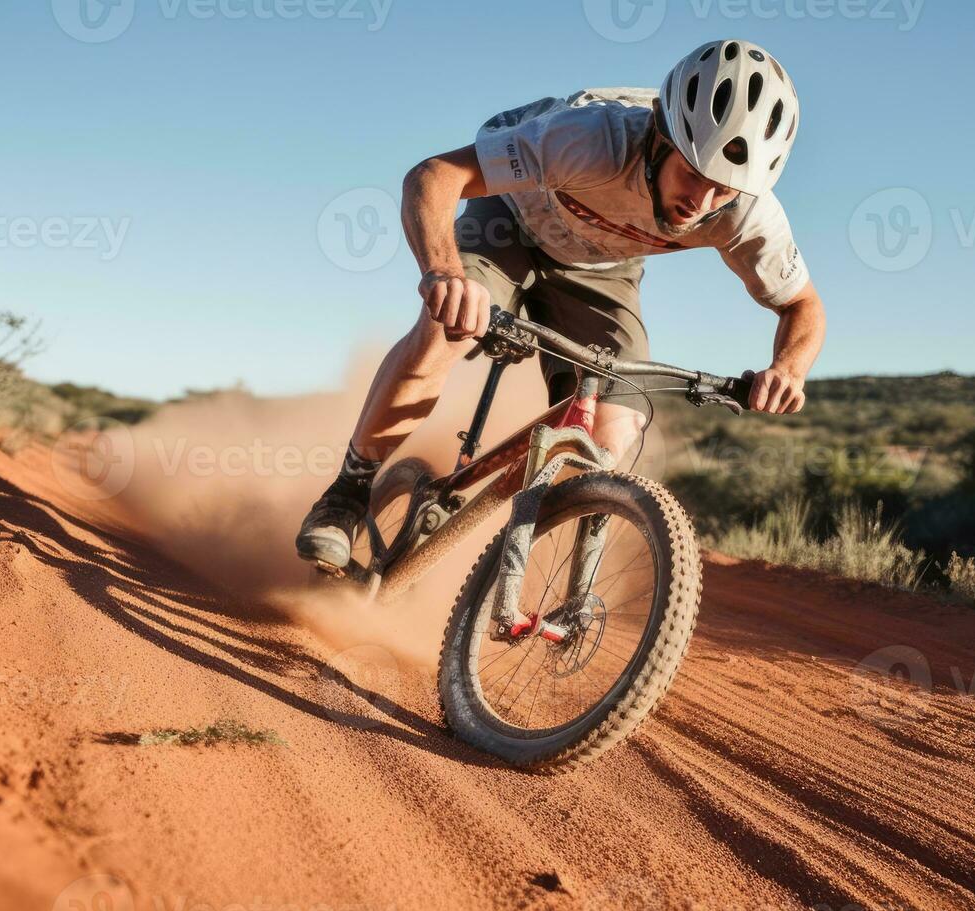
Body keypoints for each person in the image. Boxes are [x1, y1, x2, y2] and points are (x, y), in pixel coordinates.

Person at [297, 38, 826, 570]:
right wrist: (444, 273)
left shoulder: (747, 212)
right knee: (443, 333)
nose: (702, 203)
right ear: (660, 137)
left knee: (615, 428)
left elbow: (802, 305)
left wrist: (789, 369)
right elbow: (435, 176)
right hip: (510, 222)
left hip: (601, 268)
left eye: (724, 191)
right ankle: (347, 493)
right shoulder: (589, 141)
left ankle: (543, 576)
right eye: (692, 174)